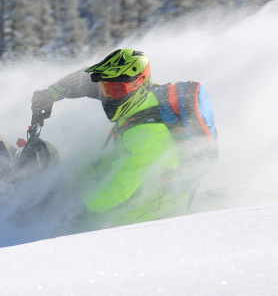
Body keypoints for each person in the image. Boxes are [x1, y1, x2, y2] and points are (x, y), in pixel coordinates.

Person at [30, 49, 217, 232]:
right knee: (85, 163)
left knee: (87, 228)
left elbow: (119, 189)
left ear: (140, 84)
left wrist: (74, 213)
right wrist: (52, 94)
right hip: (132, 167)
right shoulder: (139, 96)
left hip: (153, 202)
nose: (110, 96)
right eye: (107, 89)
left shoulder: (148, 135)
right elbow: (86, 81)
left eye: (117, 90)